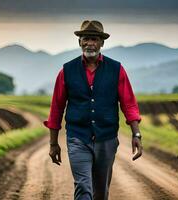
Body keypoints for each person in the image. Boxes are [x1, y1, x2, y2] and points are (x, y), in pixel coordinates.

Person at [44, 20, 143, 200]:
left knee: (100, 191)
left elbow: (129, 104)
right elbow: (56, 108)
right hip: (77, 137)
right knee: (83, 186)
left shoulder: (117, 69)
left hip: (107, 138)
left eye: (94, 39)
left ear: (102, 43)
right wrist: (53, 143)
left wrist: (136, 135)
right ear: (79, 42)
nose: (90, 43)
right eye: (86, 39)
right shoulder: (66, 70)